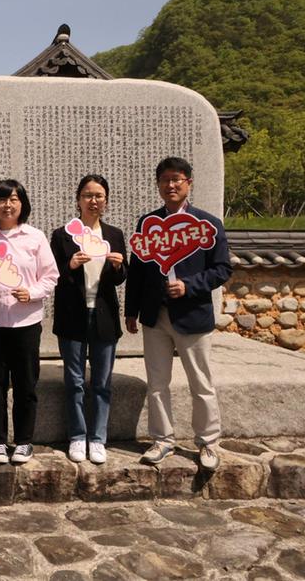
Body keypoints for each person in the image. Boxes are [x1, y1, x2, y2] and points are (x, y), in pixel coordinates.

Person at [125, 156, 232, 471]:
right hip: (154, 316)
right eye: (164, 180)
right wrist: (131, 310)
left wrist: (190, 286)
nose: (171, 185)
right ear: (158, 185)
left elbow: (223, 269)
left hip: (192, 315)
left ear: (189, 182)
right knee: (157, 382)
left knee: (201, 382)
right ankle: (162, 440)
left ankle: (208, 443)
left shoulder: (208, 224)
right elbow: (138, 273)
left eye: (177, 179)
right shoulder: (148, 223)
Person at [0, 180, 58, 465]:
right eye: (2, 200)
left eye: (14, 199)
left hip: (26, 322)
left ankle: (23, 441)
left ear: (22, 204)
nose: (8, 205)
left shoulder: (35, 237)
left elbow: (51, 276)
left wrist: (31, 293)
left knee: (25, 384)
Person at [49, 175, 126, 465]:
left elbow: (121, 276)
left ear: (106, 200)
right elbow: (52, 275)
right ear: (78, 199)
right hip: (72, 316)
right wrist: (69, 265)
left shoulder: (114, 234)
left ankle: (98, 438)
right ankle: (77, 436)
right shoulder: (62, 235)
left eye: (99, 196)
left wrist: (118, 267)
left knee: (103, 381)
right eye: (88, 195)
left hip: (104, 315)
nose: (93, 201)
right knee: (75, 380)